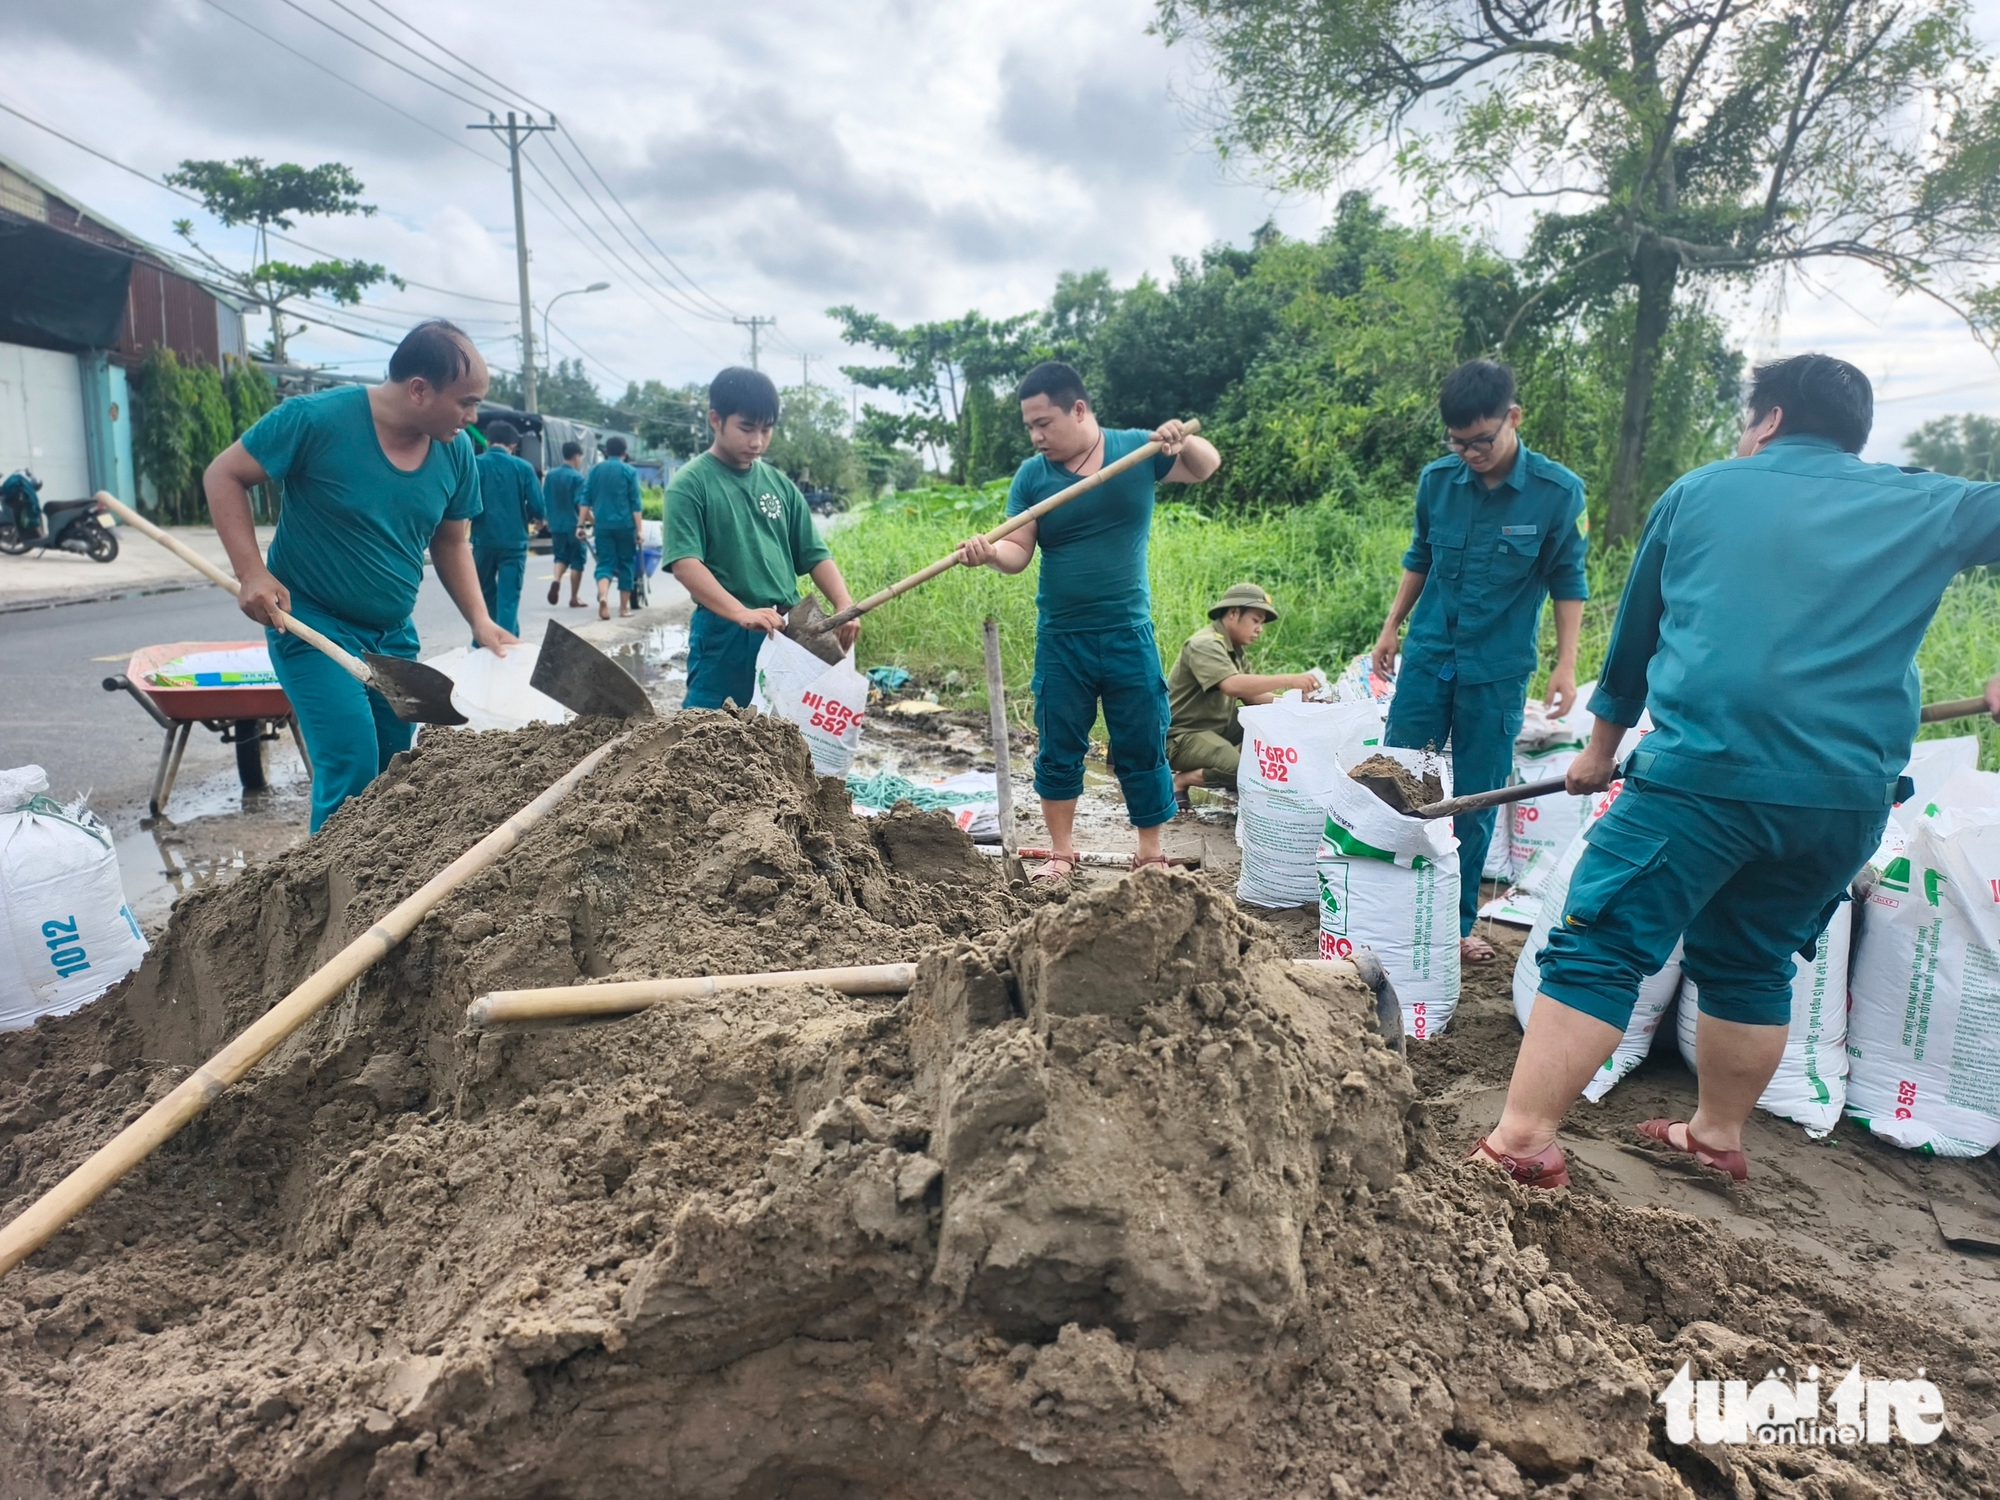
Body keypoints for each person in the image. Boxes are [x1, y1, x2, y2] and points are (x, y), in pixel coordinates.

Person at [1476, 353, 2000, 1191]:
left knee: (1600, 946)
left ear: (1772, 419)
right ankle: (1715, 1135)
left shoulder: (1703, 491)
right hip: (1843, 803)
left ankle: (1522, 1141)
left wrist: (1600, 751)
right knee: (1750, 960)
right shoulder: (1927, 501)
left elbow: (1636, 642)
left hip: (1704, 778)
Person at [204, 319, 516, 833]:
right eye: (465, 402)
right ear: (419, 389)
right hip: (312, 625)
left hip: (392, 634)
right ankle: (325, 901)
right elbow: (224, 474)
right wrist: (252, 573)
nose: (473, 416)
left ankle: (381, 896)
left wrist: (480, 620)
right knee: (351, 761)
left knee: (396, 771)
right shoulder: (315, 420)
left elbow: (452, 540)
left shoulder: (455, 450)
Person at [955, 360, 1220, 881]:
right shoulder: (1034, 477)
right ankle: (1061, 853)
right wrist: (987, 554)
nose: (1035, 437)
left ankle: (1151, 852)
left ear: (1078, 410)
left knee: (1142, 740)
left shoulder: (1136, 451)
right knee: (1059, 745)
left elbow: (1205, 465)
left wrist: (1178, 440)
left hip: (1128, 632)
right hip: (1062, 637)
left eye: (1044, 423)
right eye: (1029, 426)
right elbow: (1017, 554)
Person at [1371, 359, 1587, 965]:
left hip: (1495, 671)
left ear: (1513, 419)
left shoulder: (1557, 492)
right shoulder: (1438, 482)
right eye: (1458, 443)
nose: (1471, 453)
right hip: (1429, 658)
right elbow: (1420, 557)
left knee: (1476, 795)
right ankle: (1389, 900)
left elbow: (1569, 581)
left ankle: (1454, 923)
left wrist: (1565, 665)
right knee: (1397, 782)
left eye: (1482, 440)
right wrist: (1391, 628)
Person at [665, 366, 861, 710]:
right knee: (711, 727)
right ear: (716, 419)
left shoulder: (779, 485)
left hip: (789, 631)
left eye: (766, 430)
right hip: (726, 631)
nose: (757, 441)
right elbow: (685, 563)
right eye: (746, 428)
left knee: (784, 726)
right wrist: (741, 612)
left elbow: (814, 554)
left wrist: (845, 605)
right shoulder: (691, 484)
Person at [1167, 583, 1319, 808]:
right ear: (1233, 613)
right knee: (1246, 770)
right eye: (1255, 620)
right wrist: (1290, 679)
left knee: (1268, 717)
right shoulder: (1205, 644)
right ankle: (1181, 781)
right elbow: (1232, 685)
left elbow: (1252, 698)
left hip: (1211, 729)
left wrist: (1297, 704)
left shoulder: (1234, 650)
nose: (1259, 629)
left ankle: (1228, 773)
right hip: (1180, 737)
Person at [468, 419, 543, 640]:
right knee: (508, 598)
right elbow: (538, 506)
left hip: (482, 540)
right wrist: (539, 519)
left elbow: (464, 502)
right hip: (514, 542)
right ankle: (507, 644)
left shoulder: (475, 464)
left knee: (485, 595)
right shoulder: (523, 467)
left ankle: (484, 642)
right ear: (513, 445)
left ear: (488, 441)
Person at [584, 435, 643, 619]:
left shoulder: (595, 471)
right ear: (624, 453)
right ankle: (624, 609)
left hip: (602, 525)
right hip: (625, 525)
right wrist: (639, 530)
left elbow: (585, 499)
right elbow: (635, 503)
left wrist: (580, 524)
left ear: (606, 452)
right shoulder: (629, 471)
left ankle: (603, 597)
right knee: (626, 564)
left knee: (605, 563)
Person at [543, 440, 589, 607]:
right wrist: (591, 521)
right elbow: (580, 504)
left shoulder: (551, 475)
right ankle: (574, 598)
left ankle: (556, 580)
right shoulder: (577, 478)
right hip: (573, 525)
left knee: (560, 556)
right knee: (577, 560)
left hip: (555, 524)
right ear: (576, 456)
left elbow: (545, 499)